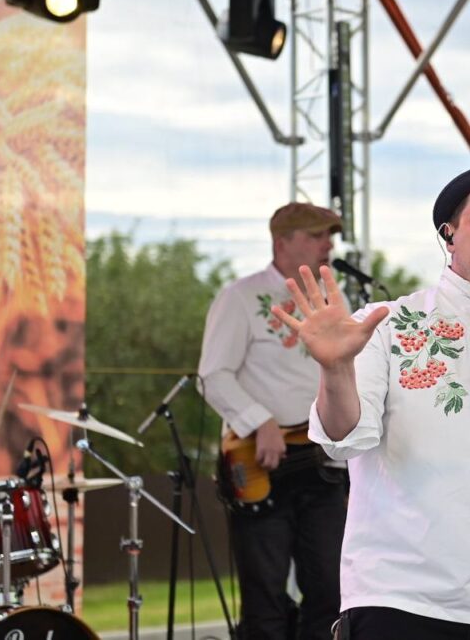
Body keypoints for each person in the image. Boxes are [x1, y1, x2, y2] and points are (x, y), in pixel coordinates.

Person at [271, 157, 470, 640]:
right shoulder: (385, 324)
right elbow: (343, 440)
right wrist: (335, 369)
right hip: (401, 598)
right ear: (449, 233)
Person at [198, 202, 348, 640]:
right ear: (282, 242)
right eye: (316, 235)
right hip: (261, 465)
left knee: (330, 590)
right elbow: (213, 375)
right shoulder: (240, 297)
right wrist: (259, 422)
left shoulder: (334, 300)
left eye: (329, 236)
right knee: (265, 599)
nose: (328, 245)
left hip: (323, 465)